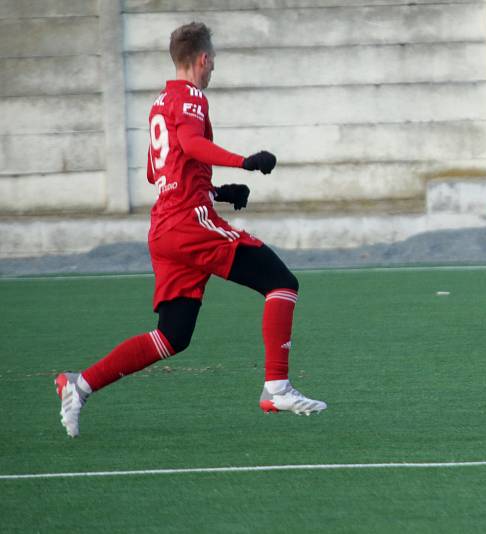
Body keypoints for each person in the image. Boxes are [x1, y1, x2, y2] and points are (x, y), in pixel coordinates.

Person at [55, 22, 326, 438]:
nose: (213, 66)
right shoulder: (192, 97)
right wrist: (244, 161)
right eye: (212, 59)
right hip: (187, 223)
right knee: (281, 283)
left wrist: (216, 189)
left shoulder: (159, 103)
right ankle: (276, 386)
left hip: (165, 227)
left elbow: (157, 171)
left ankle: (80, 385)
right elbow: (190, 144)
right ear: (203, 59)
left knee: (172, 336)